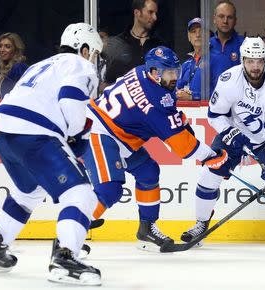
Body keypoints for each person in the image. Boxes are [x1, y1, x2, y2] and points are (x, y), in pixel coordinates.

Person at [0, 23, 104, 285]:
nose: (94, 59)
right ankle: (66, 258)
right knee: (80, 193)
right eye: (93, 52)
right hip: (34, 132)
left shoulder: (41, 65)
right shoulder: (80, 64)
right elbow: (71, 101)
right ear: (83, 49)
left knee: (28, 192)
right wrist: (78, 131)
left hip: (3, 130)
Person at [83, 46, 228, 251]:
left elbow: (167, 111)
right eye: (169, 73)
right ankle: (69, 237)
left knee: (148, 172)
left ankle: (146, 230)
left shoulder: (142, 71)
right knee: (109, 189)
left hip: (119, 134)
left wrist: (179, 121)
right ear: (155, 73)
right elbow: (183, 147)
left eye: (175, 72)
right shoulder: (154, 100)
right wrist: (211, 156)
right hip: (98, 131)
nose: (174, 77)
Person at [180, 37, 265, 250]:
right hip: (233, 132)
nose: (256, 66)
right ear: (243, 60)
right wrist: (229, 132)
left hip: (263, 140)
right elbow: (215, 115)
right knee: (209, 175)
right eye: (251, 61)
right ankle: (201, 224)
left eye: (260, 61)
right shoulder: (228, 80)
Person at [102, 0, 166, 87]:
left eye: (155, 13)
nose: (155, 17)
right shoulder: (117, 44)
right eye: (150, 12)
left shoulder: (160, 46)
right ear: (137, 13)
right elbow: (106, 83)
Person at [210, 0, 244, 96]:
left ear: (235, 21)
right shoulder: (206, 46)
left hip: (237, 104)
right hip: (209, 103)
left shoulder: (244, 45)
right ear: (214, 19)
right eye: (221, 16)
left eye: (229, 17)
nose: (225, 21)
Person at [0, 33, 28, 100]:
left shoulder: (19, 67)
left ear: (16, 49)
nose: (2, 50)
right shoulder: (7, 69)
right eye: (0, 46)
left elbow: (24, 93)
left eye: (7, 46)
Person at [176, 17, 203, 101]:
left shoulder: (213, 60)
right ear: (189, 37)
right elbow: (176, 88)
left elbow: (220, 92)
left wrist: (193, 96)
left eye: (201, 31)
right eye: (194, 32)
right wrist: (178, 93)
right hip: (187, 111)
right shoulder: (185, 64)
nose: (198, 35)